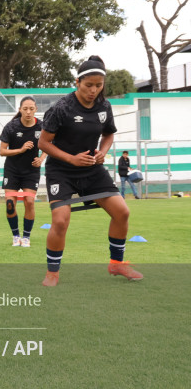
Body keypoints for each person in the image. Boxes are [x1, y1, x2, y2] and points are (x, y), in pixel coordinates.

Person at [38, 55, 143, 287]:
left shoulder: (105, 106)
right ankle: (52, 273)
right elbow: (43, 144)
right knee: (61, 220)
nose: (93, 90)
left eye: (98, 85)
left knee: (122, 212)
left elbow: (108, 133)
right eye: (88, 85)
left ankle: (117, 263)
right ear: (77, 82)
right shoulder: (61, 108)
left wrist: (103, 152)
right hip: (61, 170)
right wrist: (71, 159)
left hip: (92, 169)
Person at [0, 96, 46, 248]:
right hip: (12, 170)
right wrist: (21, 149)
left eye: (31, 109)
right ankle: (15, 236)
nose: (28, 112)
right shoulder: (11, 127)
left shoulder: (42, 126)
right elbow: (2, 151)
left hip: (31, 171)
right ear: (20, 110)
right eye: (25, 109)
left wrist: (42, 158)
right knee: (10, 204)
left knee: (30, 202)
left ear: (36, 110)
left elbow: (50, 144)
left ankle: (26, 237)